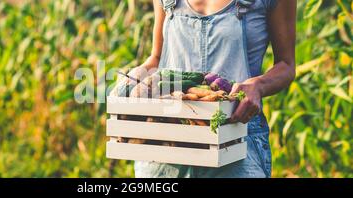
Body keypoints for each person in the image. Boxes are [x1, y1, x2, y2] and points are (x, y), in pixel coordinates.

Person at [114, 0, 296, 178]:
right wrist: (137, 77)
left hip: (236, 140)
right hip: (166, 142)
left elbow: (286, 65)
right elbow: (157, 56)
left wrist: (258, 86)